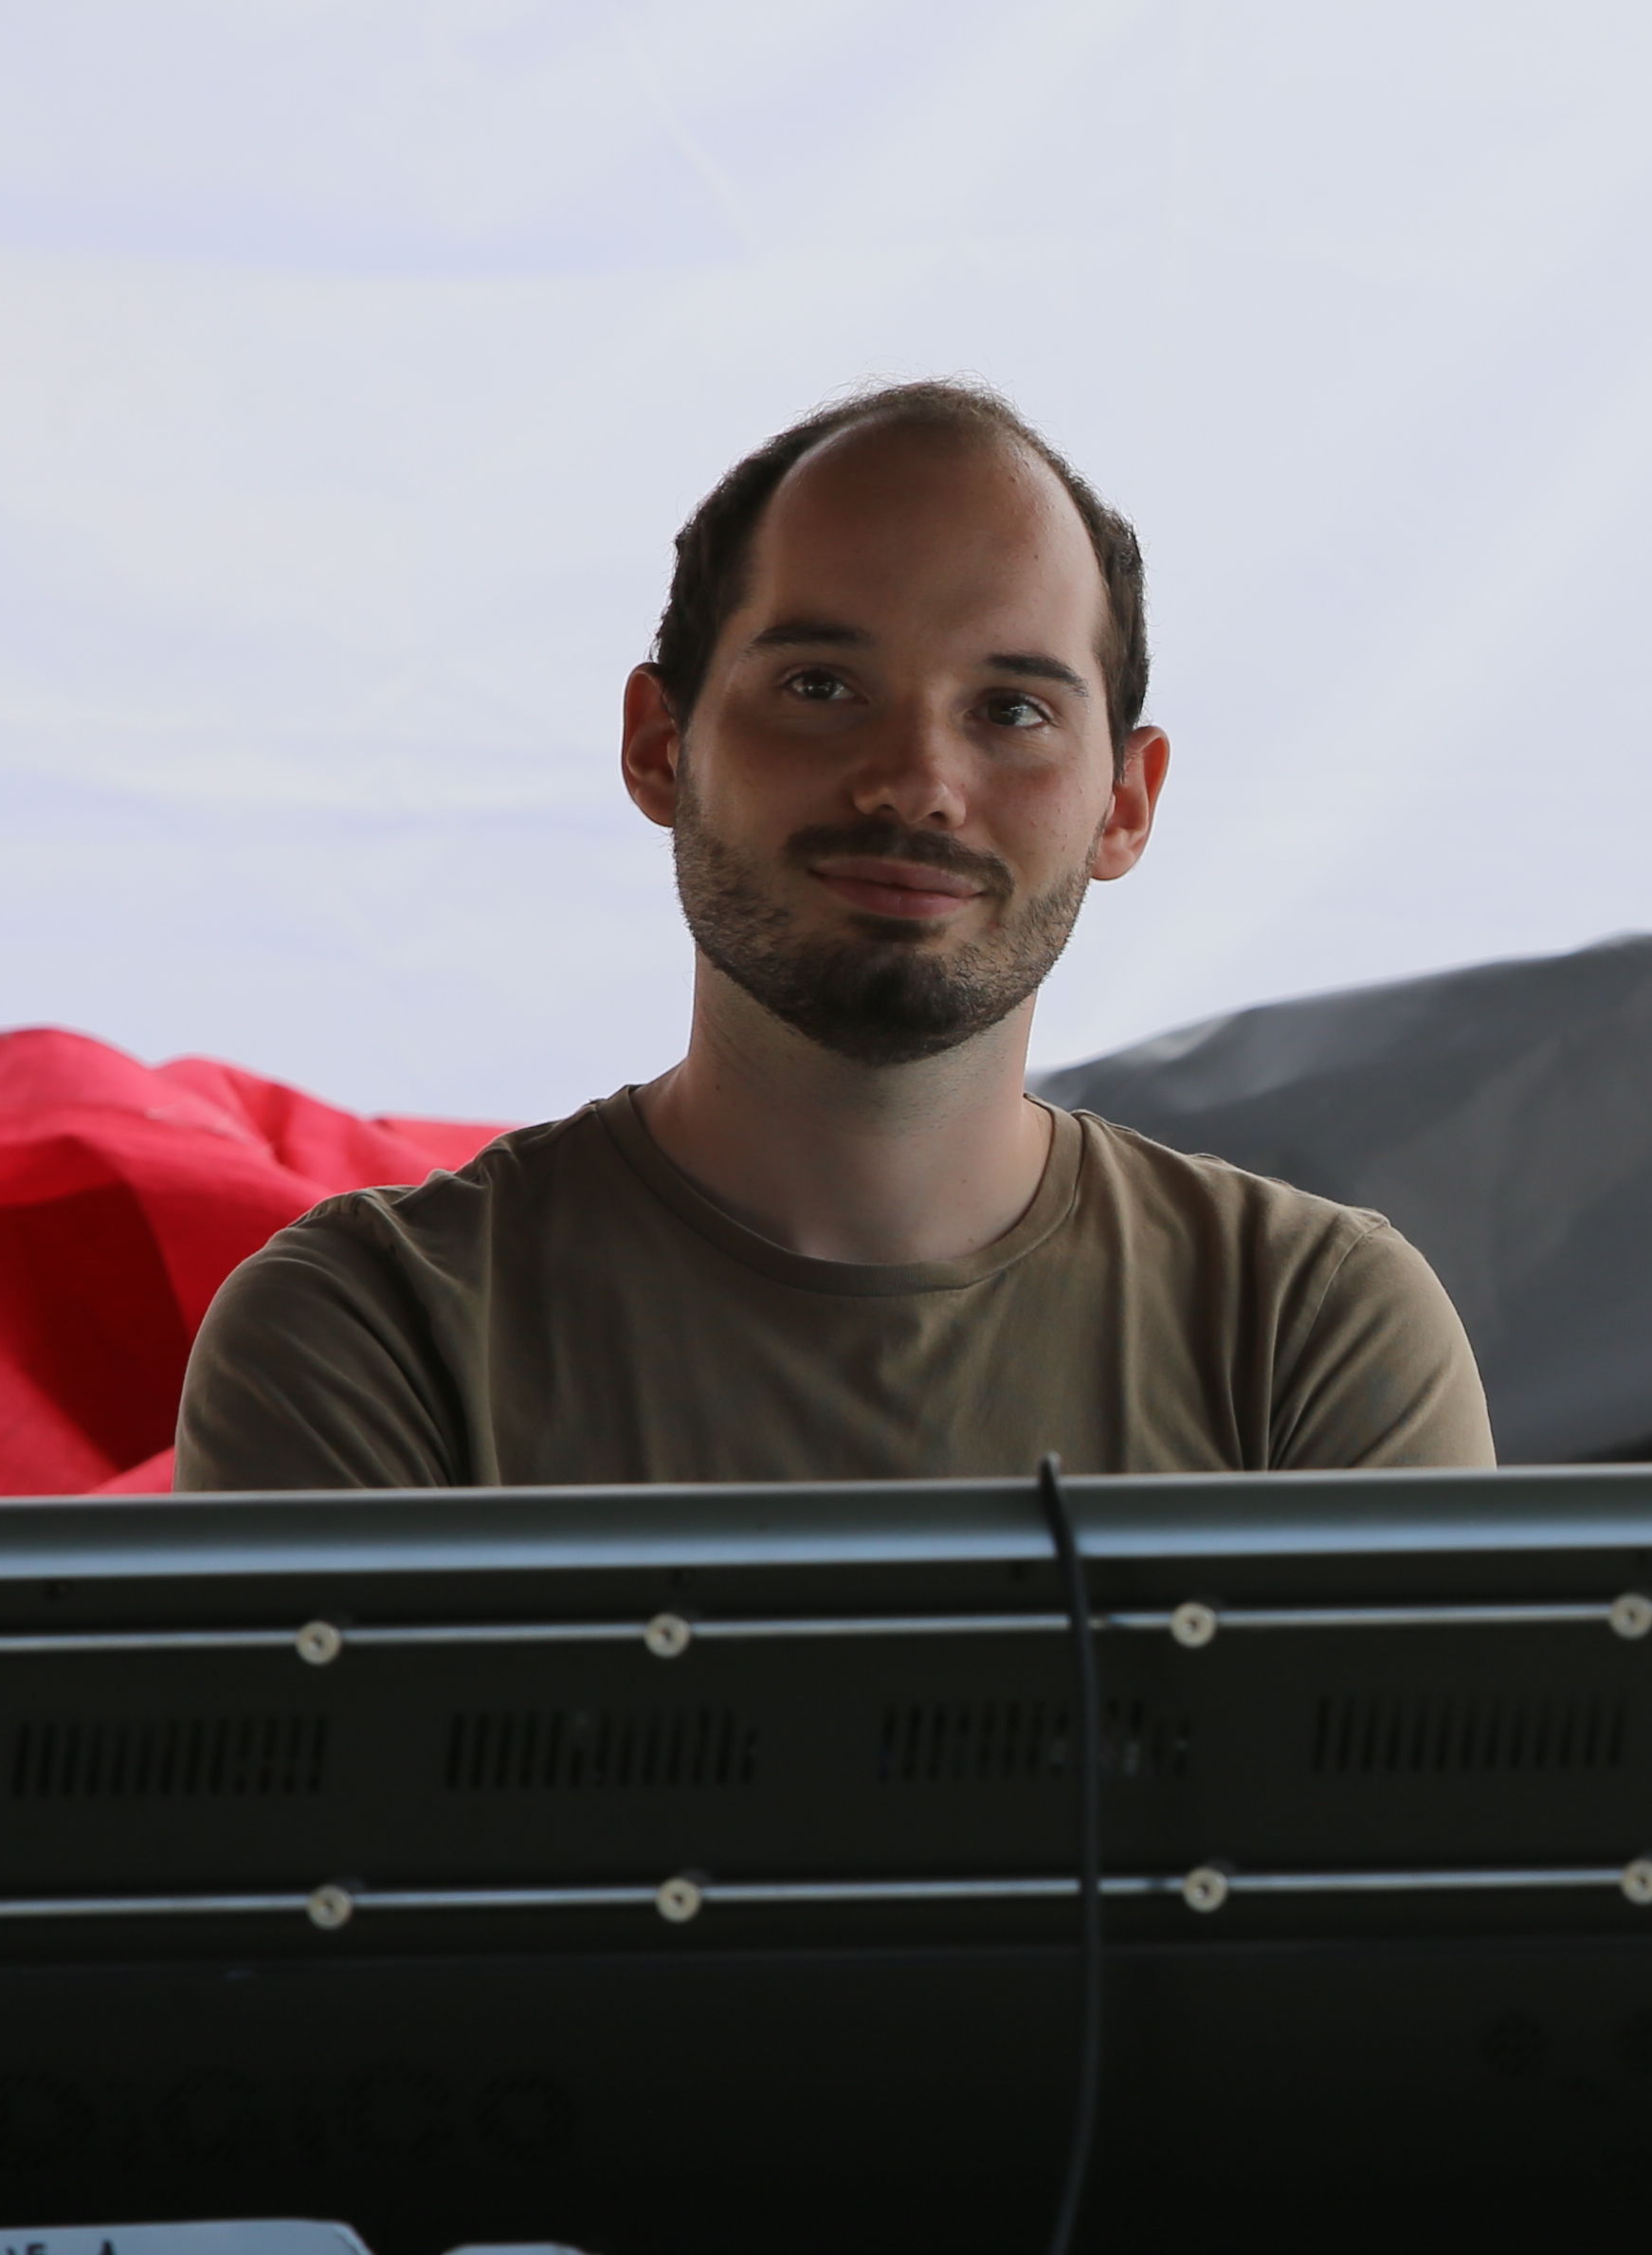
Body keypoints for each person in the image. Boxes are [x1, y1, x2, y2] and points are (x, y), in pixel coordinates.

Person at [176, 383, 1492, 1488]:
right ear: (658, 745)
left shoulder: (1308, 1336)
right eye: (820, 687)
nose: (914, 779)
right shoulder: (375, 1335)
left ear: (1126, 803)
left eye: (1014, 710)